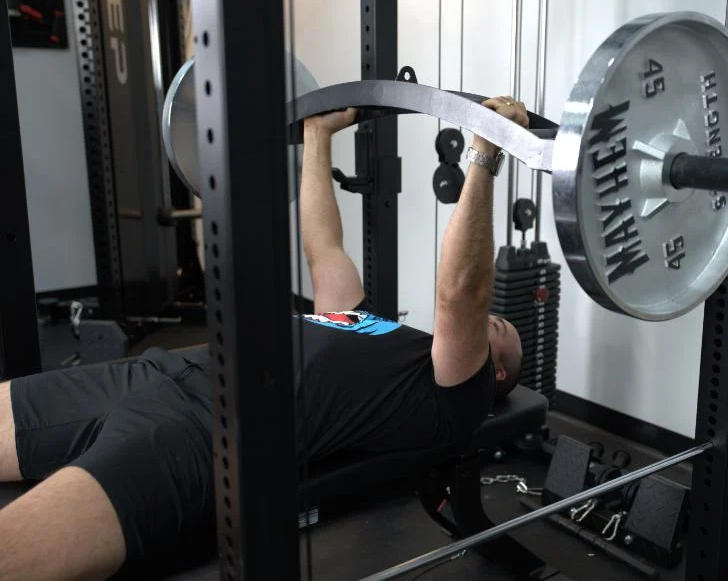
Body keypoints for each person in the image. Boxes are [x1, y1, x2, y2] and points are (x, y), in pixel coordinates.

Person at [0, 96, 528, 580]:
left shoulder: (457, 395)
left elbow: (462, 290)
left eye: (500, 329)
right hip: (167, 370)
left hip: (201, 433)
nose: (493, 318)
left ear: (495, 373)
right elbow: (323, 246)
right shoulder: (377, 326)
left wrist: (485, 152)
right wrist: (319, 136)